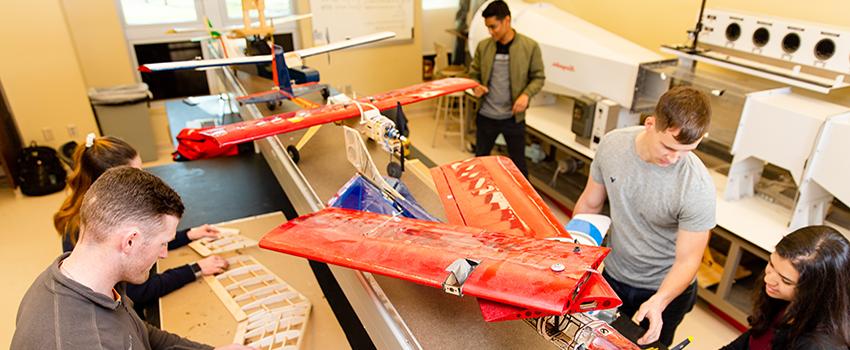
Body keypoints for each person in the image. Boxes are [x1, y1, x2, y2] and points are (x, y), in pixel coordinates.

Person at [12, 167, 251, 349]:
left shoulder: (83, 279)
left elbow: (140, 333)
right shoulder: (85, 341)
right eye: (163, 243)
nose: (164, 254)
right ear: (129, 241)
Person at [573, 86, 715, 346]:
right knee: (597, 340)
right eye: (668, 146)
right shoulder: (613, 145)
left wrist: (659, 301)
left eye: (687, 150)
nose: (675, 158)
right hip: (614, 273)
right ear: (650, 123)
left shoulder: (696, 186)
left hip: (663, 289)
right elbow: (590, 205)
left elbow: (688, 260)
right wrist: (574, 257)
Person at [53, 134, 228, 318]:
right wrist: (194, 269)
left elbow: (148, 238)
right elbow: (138, 291)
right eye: (135, 175)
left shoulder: (104, 207)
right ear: (111, 181)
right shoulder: (97, 227)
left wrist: (189, 235)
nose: (143, 180)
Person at [722, 225, 850, 349]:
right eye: (771, 264)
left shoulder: (817, 345)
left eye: (785, 281)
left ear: (816, 291)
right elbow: (752, 340)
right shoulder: (783, 300)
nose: (768, 279)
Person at [468, 0, 545, 178]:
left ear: (507, 21)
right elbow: (474, 74)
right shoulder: (483, 46)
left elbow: (538, 77)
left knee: (519, 168)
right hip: (486, 116)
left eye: (493, 26)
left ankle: (523, 204)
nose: (490, 31)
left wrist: (526, 95)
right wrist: (476, 86)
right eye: (488, 27)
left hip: (513, 119)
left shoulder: (530, 47)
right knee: (479, 164)